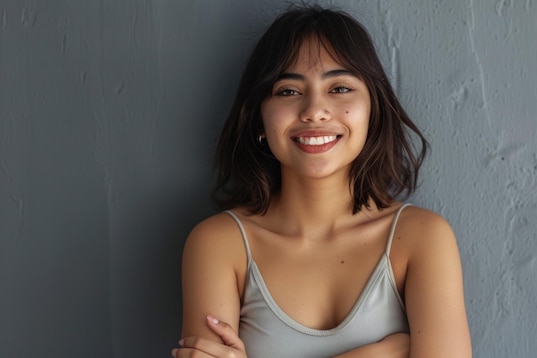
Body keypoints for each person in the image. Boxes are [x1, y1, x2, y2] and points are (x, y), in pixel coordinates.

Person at [172, 5, 471, 358]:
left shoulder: (422, 237)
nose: (314, 110)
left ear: (373, 109)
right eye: (288, 91)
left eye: (340, 88)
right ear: (259, 119)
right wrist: (384, 353)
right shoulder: (218, 244)